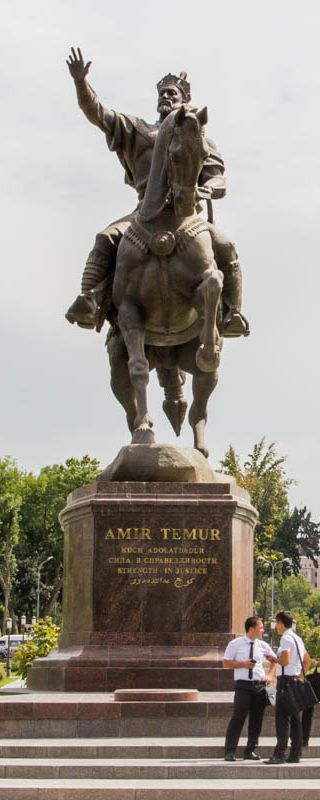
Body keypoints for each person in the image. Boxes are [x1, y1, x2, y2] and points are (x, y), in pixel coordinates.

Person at [65, 47, 249, 337]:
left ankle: (232, 314)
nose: (166, 98)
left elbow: (218, 179)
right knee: (106, 237)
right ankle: (89, 299)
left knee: (225, 245)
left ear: (185, 101)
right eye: (163, 94)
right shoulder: (137, 131)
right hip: (144, 211)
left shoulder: (199, 138)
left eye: (173, 94)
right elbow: (96, 112)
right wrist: (80, 81)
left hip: (189, 212)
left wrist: (205, 190)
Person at [223, 616, 277, 761]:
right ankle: (229, 751)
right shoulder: (236, 644)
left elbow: (274, 661)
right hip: (243, 685)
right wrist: (243, 664)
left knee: (256, 719)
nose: (262, 630)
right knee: (238, 716)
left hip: (259, 686)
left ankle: (250, 750)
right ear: (251, 629)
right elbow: (226, 663)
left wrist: (270, 675)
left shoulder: (262, 645)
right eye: (260, 627)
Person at [264, 610, 311, 765]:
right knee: (296, 720)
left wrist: (273, 659)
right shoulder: (298, 638)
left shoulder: (285, 638)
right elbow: (307, 660)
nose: (276, 626)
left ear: (280, 623)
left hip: (285, 683)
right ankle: (295, 754)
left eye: (276, 623)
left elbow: (285, 660)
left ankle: (279, 754)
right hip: (295, 681)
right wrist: (299, 677)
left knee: (282, 720)